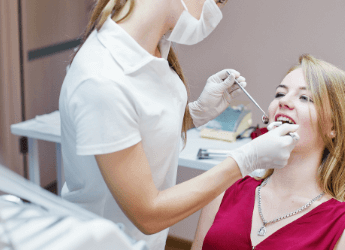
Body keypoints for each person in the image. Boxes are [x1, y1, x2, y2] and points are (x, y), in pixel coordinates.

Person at [57, 0, 300, 249]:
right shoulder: (101, 80)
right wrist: (245, 160)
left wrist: (194, 114)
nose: (216, 13)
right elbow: (148, 214)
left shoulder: (155, 46)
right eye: (217, 1)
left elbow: (143, 125)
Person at [192, 54, 345, 250]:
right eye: (280, 94)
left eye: (305, 97)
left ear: (334, 127)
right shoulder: (223, 191)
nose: (284, 102)